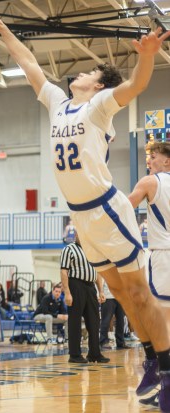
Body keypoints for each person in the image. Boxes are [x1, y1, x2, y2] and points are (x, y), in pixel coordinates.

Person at [0, 0, 170, 406]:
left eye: (88, 71)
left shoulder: (99, 106)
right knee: (121, 295)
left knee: (139, 293)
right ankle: (154, 360)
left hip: (107, 208)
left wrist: (147, 58)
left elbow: (136, 86)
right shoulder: (55, 101)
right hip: (81, 219)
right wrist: (3, 31)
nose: (80, 72)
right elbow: (29, 61)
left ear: (98, 84)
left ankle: (166, 366)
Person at [128, 142, 170, 403]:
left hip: (164, 255)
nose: (149, 161)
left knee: (158, 321)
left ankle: (159, 372)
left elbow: (122, 209)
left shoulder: (150, 182)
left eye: (153, 157)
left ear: (167, 161)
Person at [60, 232, 109, 363]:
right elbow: (64, 271)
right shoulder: (68, 249)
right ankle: (75, 355)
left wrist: (101, 291)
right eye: (79, 233)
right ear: (76, 235)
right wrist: (67, 293)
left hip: (91, 287)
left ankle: (94, 354)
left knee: (94, 321)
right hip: (76, 285)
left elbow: (97, 272)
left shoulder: (93, 251)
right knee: (75, 321)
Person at [99, 278, 126, 350]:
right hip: (108, 296)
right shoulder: (105, 266)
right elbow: (100, 279)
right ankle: (103, 341)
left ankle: (120, 342)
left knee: (121, 320)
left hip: (120, 296)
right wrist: (100, 292)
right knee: (106, 320)